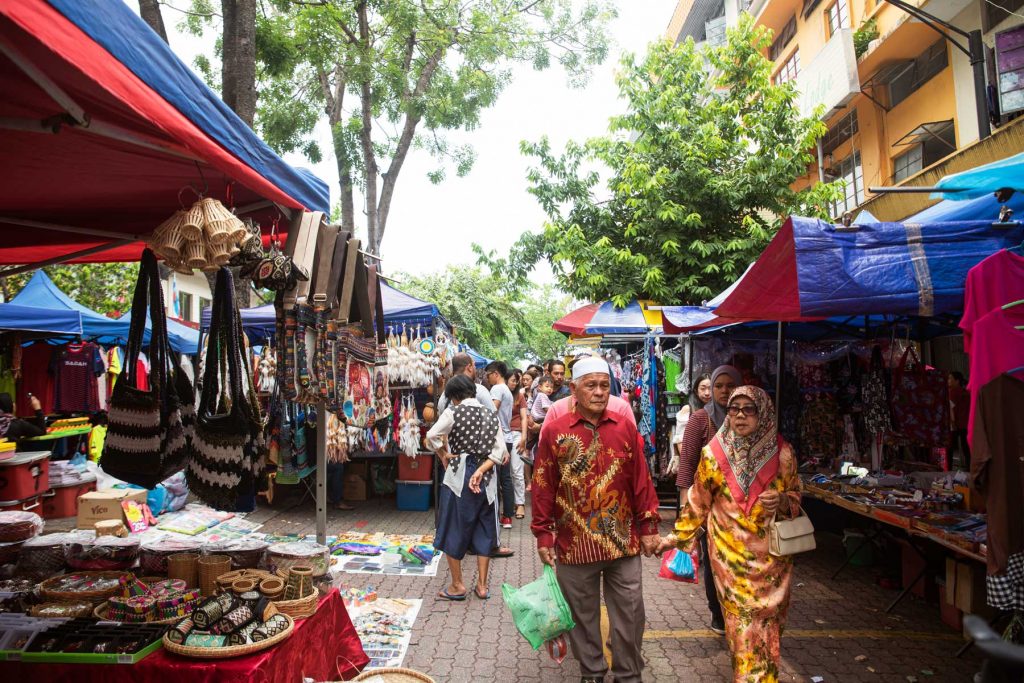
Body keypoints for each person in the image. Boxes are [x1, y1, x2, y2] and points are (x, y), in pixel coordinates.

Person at [659, 386, 802, 683]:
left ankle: (763, 674)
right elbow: (698, 502)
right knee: (741, 621)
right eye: (734, 409)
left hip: (773, 557)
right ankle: (750, 677)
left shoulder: (783, 454)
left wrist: (784, 500)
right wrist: (676, 539)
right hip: (729, 555)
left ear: (763, 413)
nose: (739, 415)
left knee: (770, 622)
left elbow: (796, 495)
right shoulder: (713, 453)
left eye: (748, 409)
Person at [532, 357, 661, 683]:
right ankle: (592, 672)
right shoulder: (555, 431)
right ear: (574, 389)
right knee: (582, 616)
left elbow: (641, 481)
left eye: (605, 385)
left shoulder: (625, 426)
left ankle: (628, 674)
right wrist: (543, 535)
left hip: (624, 541)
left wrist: (648, 527)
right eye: (591, 385)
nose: (600, 392)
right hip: (574, 543)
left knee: (631, 614)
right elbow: (544, 484)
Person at [426, 376, 507, 601]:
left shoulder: (453, 412)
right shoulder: (491, 414)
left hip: (459, 474)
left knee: (453, 525)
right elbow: (499, 453)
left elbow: (431, 436)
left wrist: (443, 454)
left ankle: (457, 585)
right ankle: (481, 586)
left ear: (453, 397)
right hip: (487, 477)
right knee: (484, 526)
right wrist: (482, 470)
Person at [675, 364, 742, 634]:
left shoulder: (749, 417)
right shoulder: (701, 419)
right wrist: (684, 509)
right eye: (719, 386)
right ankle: (718, 613)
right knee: (714, 561)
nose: (725, 391)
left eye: (730, 385)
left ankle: (737, 610)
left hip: (743, 507)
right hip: (709, 506)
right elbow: (687, 464)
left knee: (739, 561)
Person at [485, 361, 517, 530]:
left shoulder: (497, 389)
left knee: (496, 478)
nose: (487, 378)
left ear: (495, 373)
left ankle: (497, 515)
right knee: (505, 478)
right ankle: (507, 517)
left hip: (499, 439)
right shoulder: (508, 391)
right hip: (507, 438)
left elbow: (492, 411)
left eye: (488, 374)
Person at [667, 374, 711, 476]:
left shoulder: (716, 411)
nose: (707, 393)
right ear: (696, 390)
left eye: (710, 388)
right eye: (703, 389)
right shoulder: (688, 409)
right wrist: (693, 464)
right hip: (694, 466)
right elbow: (680, 441)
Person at [509, 371, 529, 519]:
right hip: (502, 435)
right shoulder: (498, 395)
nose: (514, 383)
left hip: (516, 434)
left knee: (517, 469)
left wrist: (524, 437)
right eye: (512, 380)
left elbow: (524, 418)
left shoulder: (519, 396)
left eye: (516, 381)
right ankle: (510, 504)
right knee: (505, 473)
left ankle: (520, 503)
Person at [948, 371, 971, 469]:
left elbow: (951, 409)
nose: (948, 381)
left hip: (955, 424)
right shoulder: (965, 392)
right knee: (966, 447)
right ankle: (969, 467)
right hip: (966, 423)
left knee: (950, 447)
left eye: (950, 379)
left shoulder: (953, 392)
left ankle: (949, 467)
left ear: (957, 381)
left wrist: (952, 423)